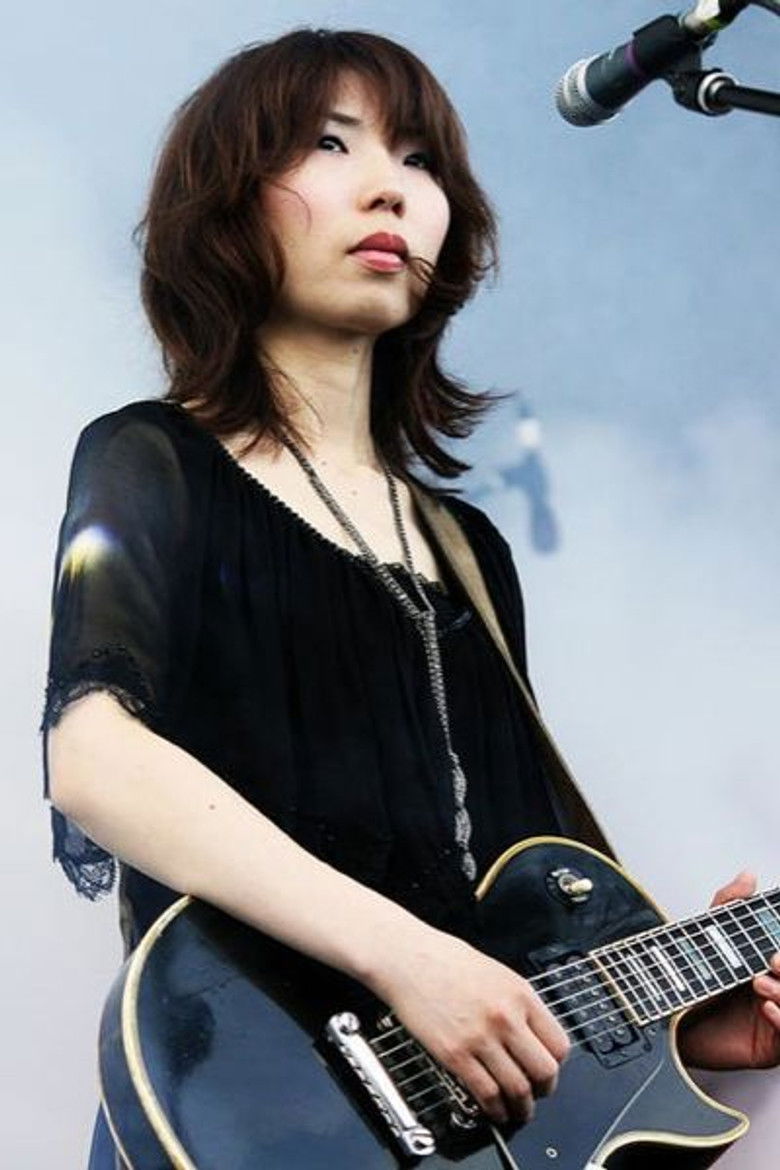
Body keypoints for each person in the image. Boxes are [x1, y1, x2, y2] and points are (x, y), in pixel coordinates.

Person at [42, 28, 780, 1170]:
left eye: (421, 159)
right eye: (329, 145)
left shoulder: (470, 551)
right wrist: (404, 956)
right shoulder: (150, 462)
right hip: (248, 1109)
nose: (390, 186)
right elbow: (94, 756)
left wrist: (676, 1028)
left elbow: (510, 913)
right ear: (226, 203)